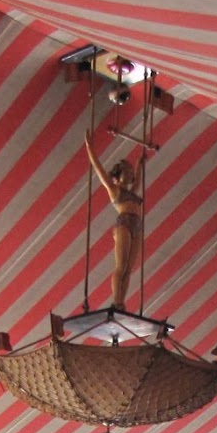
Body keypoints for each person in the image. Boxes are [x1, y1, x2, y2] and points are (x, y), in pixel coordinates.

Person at [84, 129, 145, 310]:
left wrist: (140, 164)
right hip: (124, 224)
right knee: (121, 265)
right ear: (118, 176)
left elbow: (137, 181)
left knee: (129, 268)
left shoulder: (131, 191)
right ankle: (117, 302)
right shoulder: (114, 190)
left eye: (130, 171)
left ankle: (121, 302)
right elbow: (99, 169)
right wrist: (90, 148)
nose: (130, 173)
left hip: (136, 225)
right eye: (126, 171)